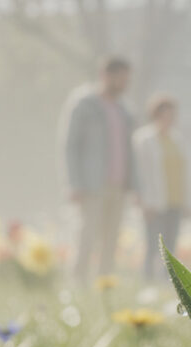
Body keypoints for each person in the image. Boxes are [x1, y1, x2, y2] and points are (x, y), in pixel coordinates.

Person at [60, 56, 139, 278]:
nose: (125, 84)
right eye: (121, 79)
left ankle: (104, 285)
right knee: (87, 236)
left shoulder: (125, 111)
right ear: (105, 76)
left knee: (111, 239)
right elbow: (70, 145)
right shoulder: (84, 104)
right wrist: (73, 183)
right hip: (91, 183)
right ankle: (78, 283)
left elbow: (130, 151)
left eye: (127, 79)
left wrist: (134, 185)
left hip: (119, 184)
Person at [133, 94, 190, 278]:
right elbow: (140, 172)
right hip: (154, 202)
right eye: (165, 115)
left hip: (175, 200)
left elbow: (184, 173)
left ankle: (168, 280)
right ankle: (147, 278)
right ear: (155, 115)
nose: (169, 119)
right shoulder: (144, 139)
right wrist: (143, 201)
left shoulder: (177, 140)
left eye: (172, 115)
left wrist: (187, 202)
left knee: (171, 244)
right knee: (153, 243)